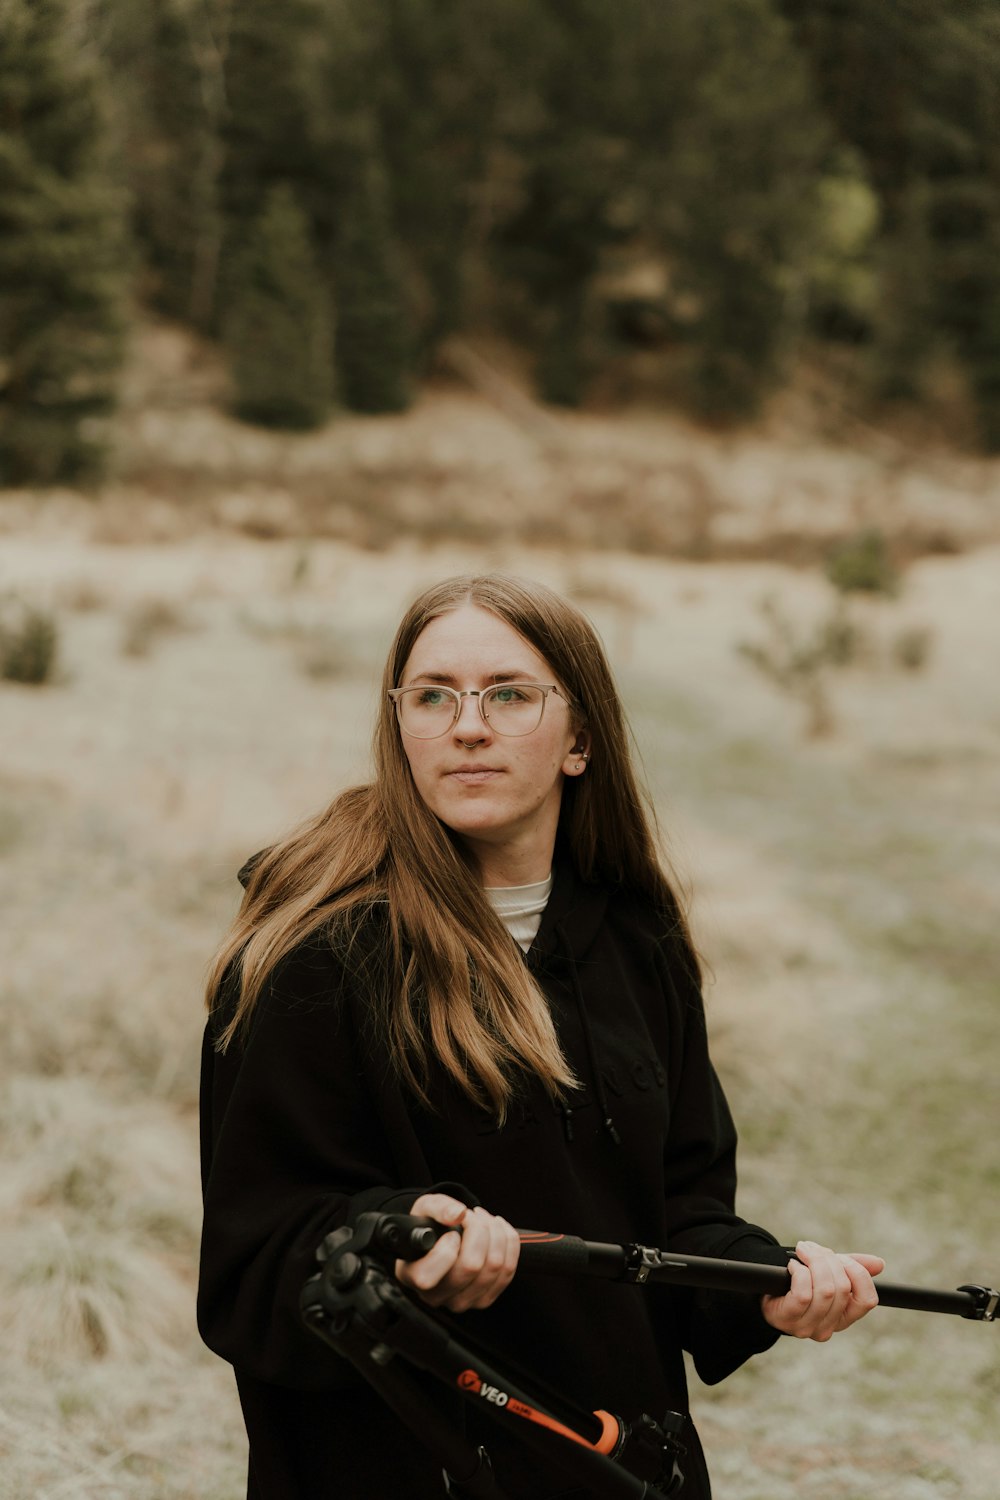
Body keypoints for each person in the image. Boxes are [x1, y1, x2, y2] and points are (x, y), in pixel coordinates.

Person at [198, 572, 883, 1500]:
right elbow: (254, 1261)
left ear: (581, 738)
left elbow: (677, 1213)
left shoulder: (639, 938)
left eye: (510, 695)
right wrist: (399, 1242)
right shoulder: (319, 953)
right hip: (399, 1468)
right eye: (432, 696)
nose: (467, 726)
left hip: (620, 1467)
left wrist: (770, 1283)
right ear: (399, 728)